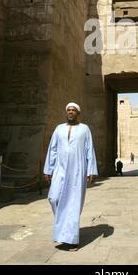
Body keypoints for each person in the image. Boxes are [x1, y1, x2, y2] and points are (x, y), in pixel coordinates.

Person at [44, 102, 98, 251]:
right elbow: (52, 149)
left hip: (77, 170)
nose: (71, 112)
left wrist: (91, 170)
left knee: (73, 204)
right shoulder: (59, 129)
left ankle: (72, 239)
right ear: (66, 112)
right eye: (69, 110)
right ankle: (63, 228)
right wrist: (48, 169)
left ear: (78, 113)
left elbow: (89, 149)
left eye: (74, 110)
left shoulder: (84, 129)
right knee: (53, 198)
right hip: (59, 169)